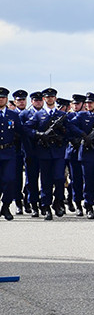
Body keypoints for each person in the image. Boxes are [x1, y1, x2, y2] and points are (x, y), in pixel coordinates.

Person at [24, 87, 69, 220]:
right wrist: (38, 134)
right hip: (44, 153)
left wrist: (65, 135)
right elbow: (26, 128)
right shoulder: (38, 115)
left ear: (55, 98)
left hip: (59, 152)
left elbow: (70, 131)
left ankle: (58, 202)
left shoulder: (61, 115)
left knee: (60, 179)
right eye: (47, 97)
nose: (49, 99)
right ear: (44, 99)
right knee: (46, 181)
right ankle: (46, 206)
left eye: (52, 97)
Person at [0, 87, 23, 220]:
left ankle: (6, 205)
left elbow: (21, 132)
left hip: (9, 152)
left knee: (10, 180)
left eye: (3, 97)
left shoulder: (13, 115)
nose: (1, 99)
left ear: (7, 99)